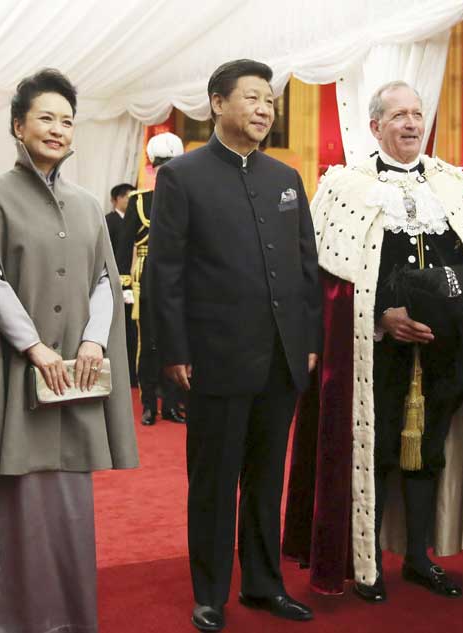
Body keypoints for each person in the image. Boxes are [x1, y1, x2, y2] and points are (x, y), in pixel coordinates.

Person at [282, 81, 463, 602]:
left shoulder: (451, 183)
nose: (413, 124)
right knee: (377, 454)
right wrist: (381, 317)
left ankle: (419, 558)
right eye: (399, 116)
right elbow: (330, 283)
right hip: (374, 353)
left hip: (446, 351)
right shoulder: (345, 187)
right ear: (375, 127)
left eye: (418, 114)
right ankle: (365, 564)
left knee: (429, 452)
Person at [0, 68, 139, 633]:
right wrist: (36, 346)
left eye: (67, 120)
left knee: (70, 509)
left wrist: (93, 337)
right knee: (18, 505)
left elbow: (103, 282)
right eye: (45, 117)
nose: (57, 129)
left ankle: (70, 621)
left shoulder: (90, 204)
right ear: (18, 125)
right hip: (18, 379)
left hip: (75, 384)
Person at [148, 59, 320, 632]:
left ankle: (265, 586)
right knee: (216, 484)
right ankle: (210, 593)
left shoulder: (286, 179)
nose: (264, 109)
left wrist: (309, 339)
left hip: (280, 358)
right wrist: (172, 350)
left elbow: (304, 267)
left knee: (267, 480)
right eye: (252, 98)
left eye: (269, 100)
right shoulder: (182, 177)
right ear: (217, 103)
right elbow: (165, 273)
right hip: (216, 357)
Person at [118, 132, 187, 425]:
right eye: (161, 164)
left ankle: (172, 403)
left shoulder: (188, 198)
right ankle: (149, 404)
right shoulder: (139, 201)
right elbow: (123, 245)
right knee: (148, 344)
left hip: (182, 278)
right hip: (145, 276)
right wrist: (123, 283)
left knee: (175, 342)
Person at [106, 183, 139, 384]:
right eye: (127, 197)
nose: (130, 200)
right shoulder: (109, 221)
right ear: (116, 199)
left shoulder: (134, 220)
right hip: (117, 279)